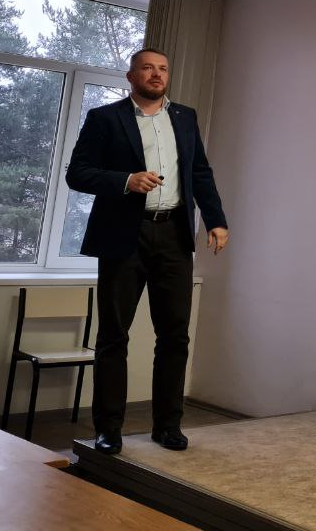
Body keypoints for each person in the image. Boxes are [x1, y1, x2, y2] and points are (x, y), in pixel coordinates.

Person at [66, 47, 229, 454]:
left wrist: (216, 219)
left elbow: (200, 172)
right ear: (131, 75)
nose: (157, 75)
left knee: (174, 336)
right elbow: (78, 174)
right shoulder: (105, 118)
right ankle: (108, 430)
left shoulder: (185, 117)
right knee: (113, 336)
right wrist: (126, 180)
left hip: (173, 235)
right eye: (147, 68)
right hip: (124, 235)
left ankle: (168, 426)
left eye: (163, 69)